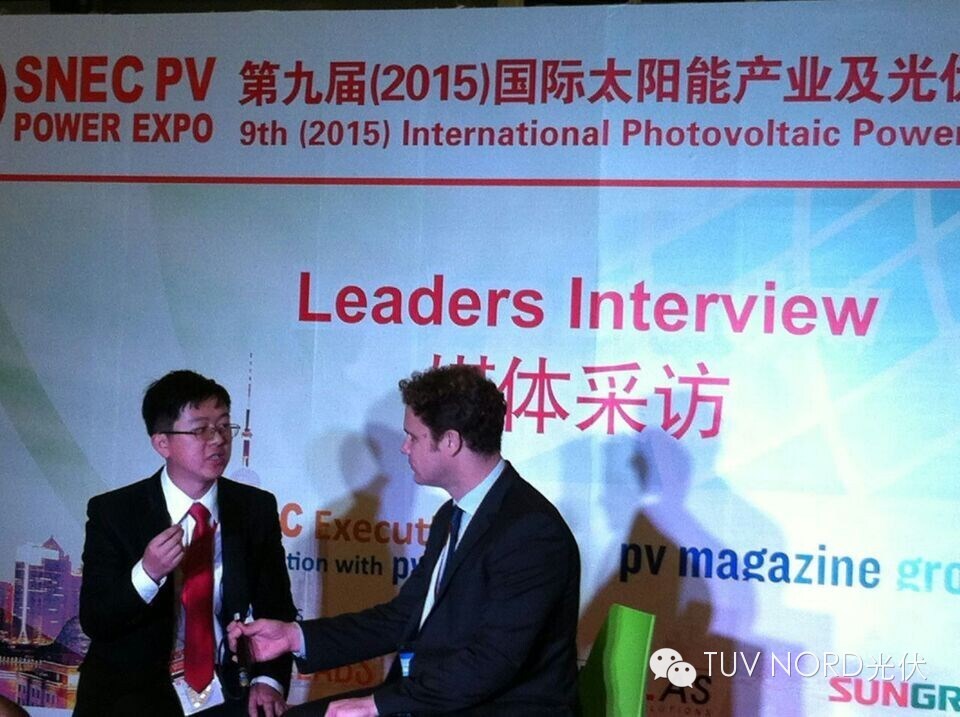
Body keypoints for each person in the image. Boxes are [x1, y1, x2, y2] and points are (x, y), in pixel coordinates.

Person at [229, 364, 581, 716]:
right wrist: (294, 637)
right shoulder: (452, 516)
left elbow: (492, 662)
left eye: (413, 437)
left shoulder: (530, 531)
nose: (404, 447)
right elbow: (402, 618)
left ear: (450, 441)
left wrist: (378, 705)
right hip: (437, 698)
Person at [75, 370, 297, 717]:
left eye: (223, 426)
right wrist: (147, 573)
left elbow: (276, 607)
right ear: (162, 443)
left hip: (227, 692)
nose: (218, 439)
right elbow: (97, 619)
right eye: (200, 430)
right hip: (131, 696)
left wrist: (268, 680)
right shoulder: (115, 512)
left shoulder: (254, 508)